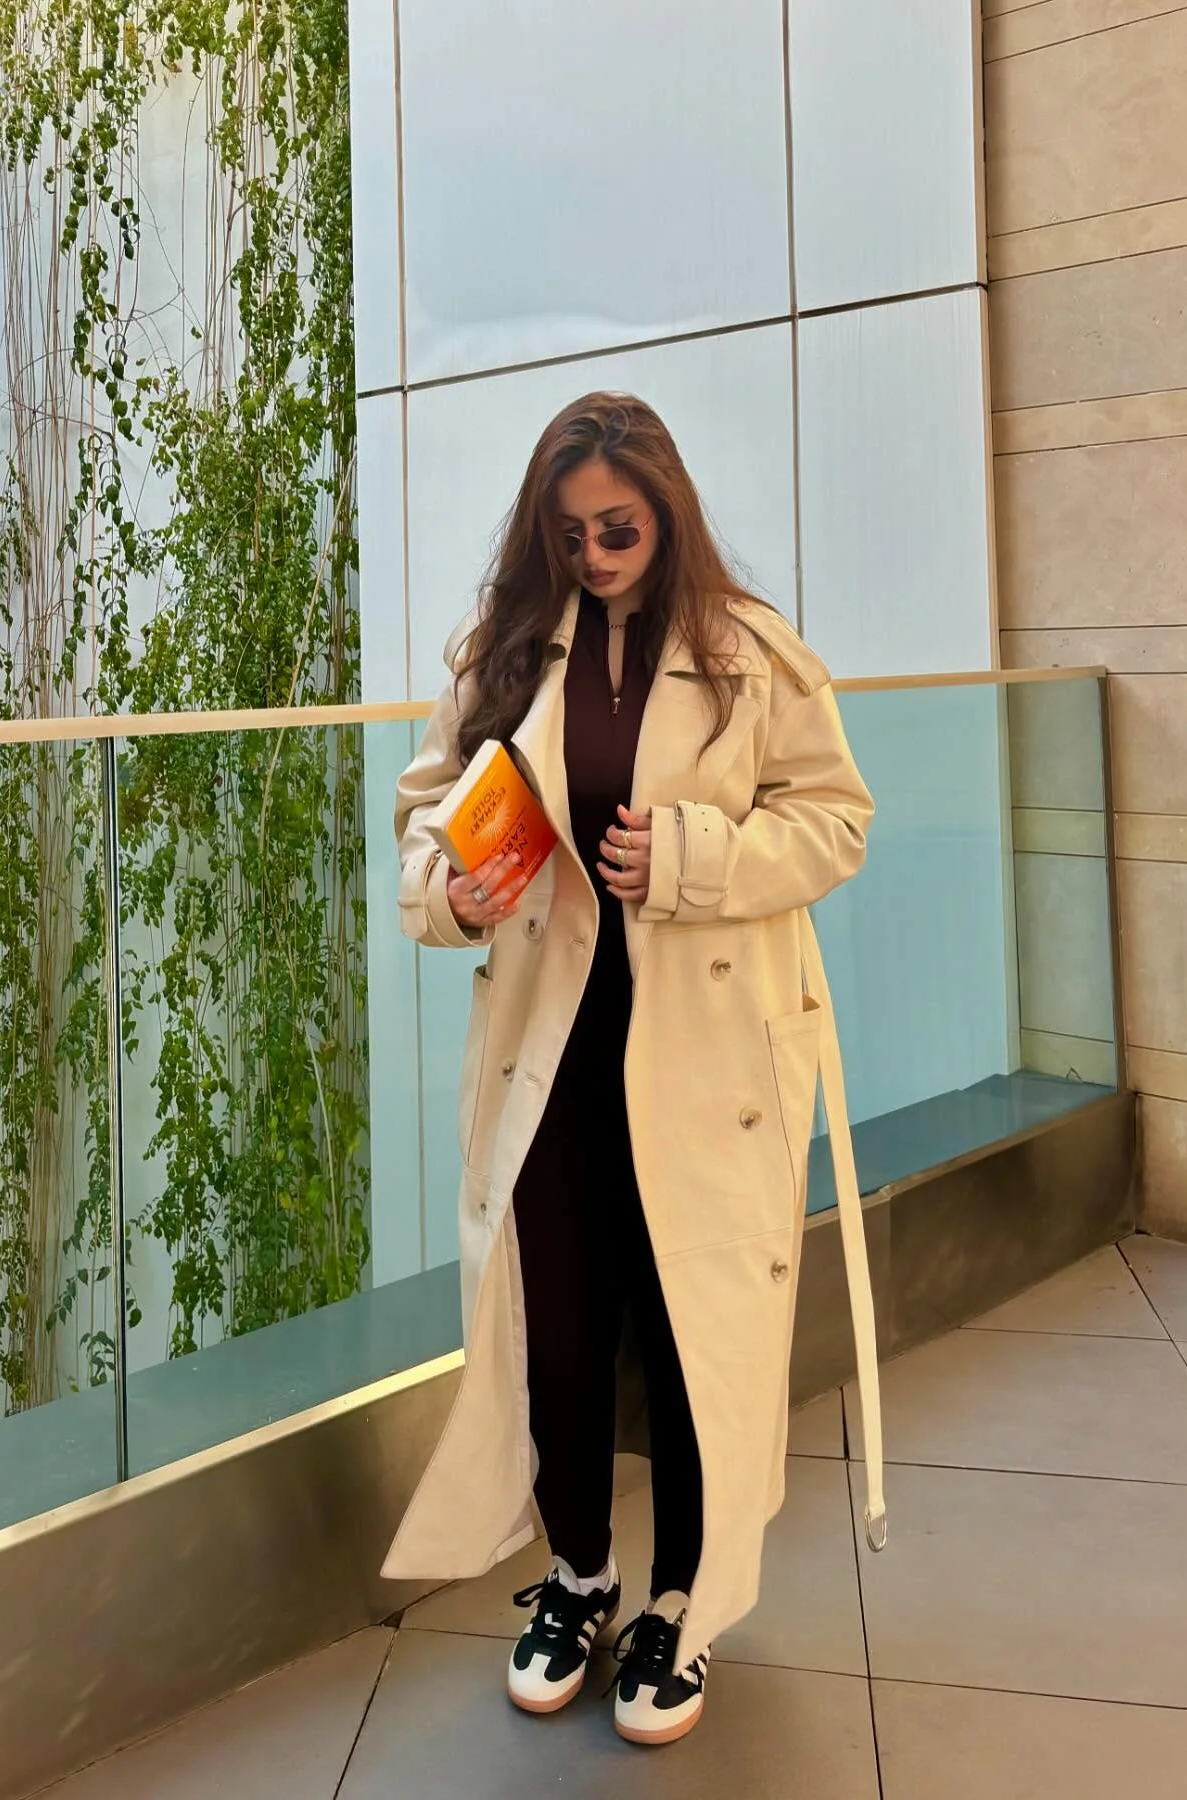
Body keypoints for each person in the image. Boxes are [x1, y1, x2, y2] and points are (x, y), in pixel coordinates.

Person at [380, 392, 885, 1748]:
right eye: (571, 534)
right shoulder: (502, 651)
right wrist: (453, 894)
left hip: (707, 1060)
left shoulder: (751, 654)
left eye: (620, 529)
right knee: (554, 1325)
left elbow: (836, 821)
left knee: (689, 1333)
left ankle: (681, 1604)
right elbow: (423, 820)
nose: (597, 556)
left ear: (667, 512)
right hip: (549, 1055)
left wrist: (695, 859)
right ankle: (578, 1578)